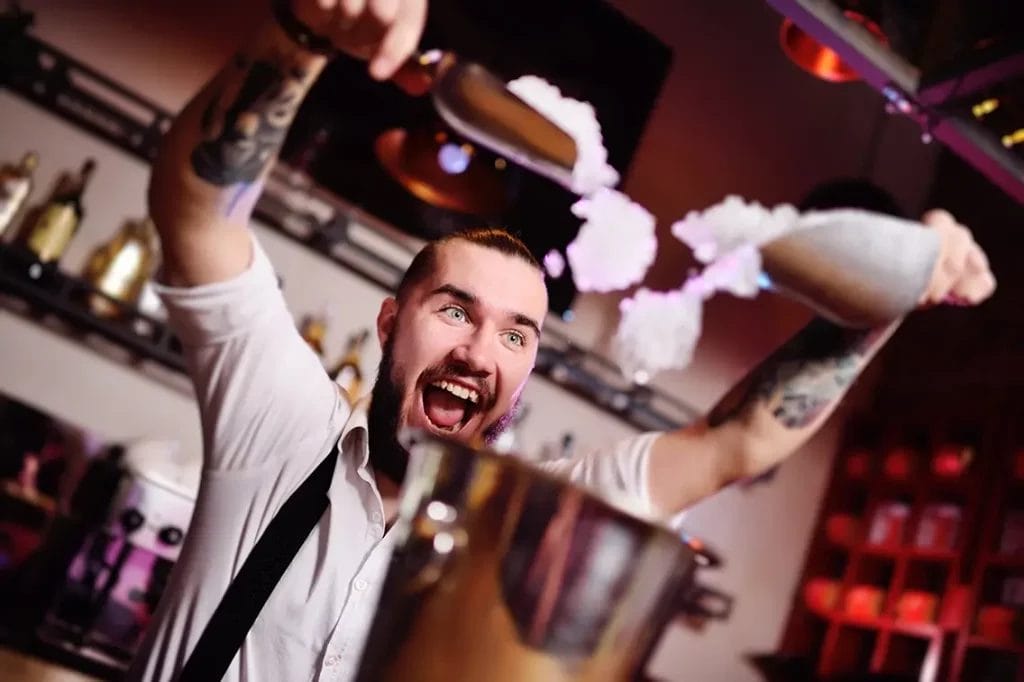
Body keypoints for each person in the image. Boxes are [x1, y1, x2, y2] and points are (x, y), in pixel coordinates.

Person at [128, 1, 996, 680]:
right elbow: (198, 217)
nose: (479, 353)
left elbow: (738, 440)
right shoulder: (279, 427)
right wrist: (303, 32)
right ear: (391, 321)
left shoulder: (540, 519)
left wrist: (891, 299)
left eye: (517, 334)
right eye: (456, 312)